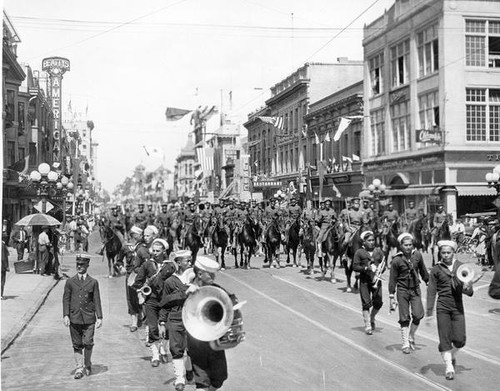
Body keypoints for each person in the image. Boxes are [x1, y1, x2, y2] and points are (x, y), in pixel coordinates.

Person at [426, 240, 482, 381]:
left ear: (453, 252)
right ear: (440, 253)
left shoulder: (461, 266)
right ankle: (449, 367)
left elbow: (468, 293)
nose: (446, 255)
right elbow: (431, 291)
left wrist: (468, 285)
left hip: (457, 307)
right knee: (444, 338)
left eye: (448, 252)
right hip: (442, 307)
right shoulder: (436, 269)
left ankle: (451, 355)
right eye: (443, 253)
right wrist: (429, 312)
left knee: (460, 340)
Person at [184, 256, 240, 390]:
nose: (213, 277)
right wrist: (184, 295)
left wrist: (233, 302)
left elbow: (228, 298)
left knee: (220, 377)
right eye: (210, 274)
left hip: (215, 337)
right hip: (196, 339)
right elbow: (167, 301)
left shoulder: (214, 288)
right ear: (199, 274)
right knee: (202, 379)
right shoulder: (185, 288)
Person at [133, 238, 176, 367]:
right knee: (152, 328)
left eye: (158, 251)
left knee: (167, 328)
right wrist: (141, 291)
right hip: (151, 300)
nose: (155, 253)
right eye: (154, 250)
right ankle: (155, 356)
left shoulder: (170, 266)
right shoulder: (147, 265)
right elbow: (137, 281)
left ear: (164, 251)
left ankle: (163, 350)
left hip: (166, 301)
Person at [159, 250, 195, 391]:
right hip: (175, 319)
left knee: (192, 348)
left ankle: (190, 370)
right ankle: (180, 378)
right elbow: (163, 304)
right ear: (179, 262)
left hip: (192, 319)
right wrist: (162, 322)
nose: (190, 263)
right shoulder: (169, 281)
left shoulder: (195, 279)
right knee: (176, 348)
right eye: (187, 260)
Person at [62, 254, 103, 379]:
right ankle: (79, 368)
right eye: (77, 265)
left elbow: (97, 300)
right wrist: (66, 315)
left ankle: (87, 363)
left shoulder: (93, 282)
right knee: (77, 344)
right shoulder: (70, 282)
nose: (79, 267)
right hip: (74, 317)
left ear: (87, 266)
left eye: (82, 265)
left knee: (88, 342)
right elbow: (66, 300)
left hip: (89, 317)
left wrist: (100, 317)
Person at [388, 232, 429, 354]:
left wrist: (428, 281)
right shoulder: (396, 260)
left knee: (418, 314)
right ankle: (405, 342)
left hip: (415, 289)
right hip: (402, 290)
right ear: (401, 246)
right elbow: (392, 279)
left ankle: (411, 335)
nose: (408, 247)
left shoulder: (417, 255)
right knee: (404, 317)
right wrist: (391, 295)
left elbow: (423, 270)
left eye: (410, 244)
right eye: (405, 245)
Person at [352, 230, 384, 335]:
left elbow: (383, 264)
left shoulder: (378, 251)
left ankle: (372, 317)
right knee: (366, 304)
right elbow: (355, 266)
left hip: (376, 280)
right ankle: (368, 325)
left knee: (378, 302)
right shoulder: (359, 252)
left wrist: (380, 269)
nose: (372, 242)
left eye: (373, 240)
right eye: (369, 240)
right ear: (364, 242)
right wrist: (366, 268)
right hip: (365, 281)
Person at [124, 225, 150, 332]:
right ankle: (134, 322)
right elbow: (120, 259)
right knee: (130, 298)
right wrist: (120, 266)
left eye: (140, 235)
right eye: (138, 235)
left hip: (140, 276)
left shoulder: (142, 248)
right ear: (133, 235)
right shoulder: (126, 247)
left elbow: (147, 263)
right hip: (130, 276)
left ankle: (141, 315)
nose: (141, 236)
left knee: (141, 297)